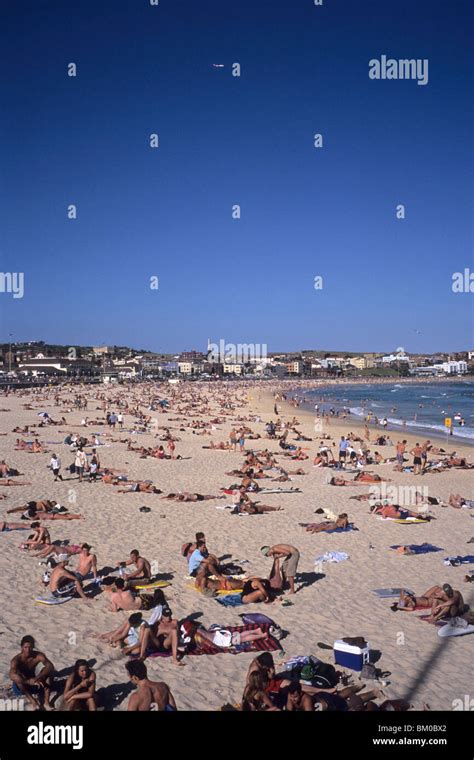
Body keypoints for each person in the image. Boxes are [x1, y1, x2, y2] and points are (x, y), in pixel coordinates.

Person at [9, 635, 55, 710]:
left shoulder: (38, 655)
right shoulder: (16, 660)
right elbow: (11, 675)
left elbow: (50, 666)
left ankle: (46, 703)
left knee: (48, 673)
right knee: (18, 676)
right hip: (22, 687)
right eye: (25, 647)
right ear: (21, 647)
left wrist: (39, 677)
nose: (28, 650)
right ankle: (33, 702)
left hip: (34, 682)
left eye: (30, 647)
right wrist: (28, 681)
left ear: (33, 647)